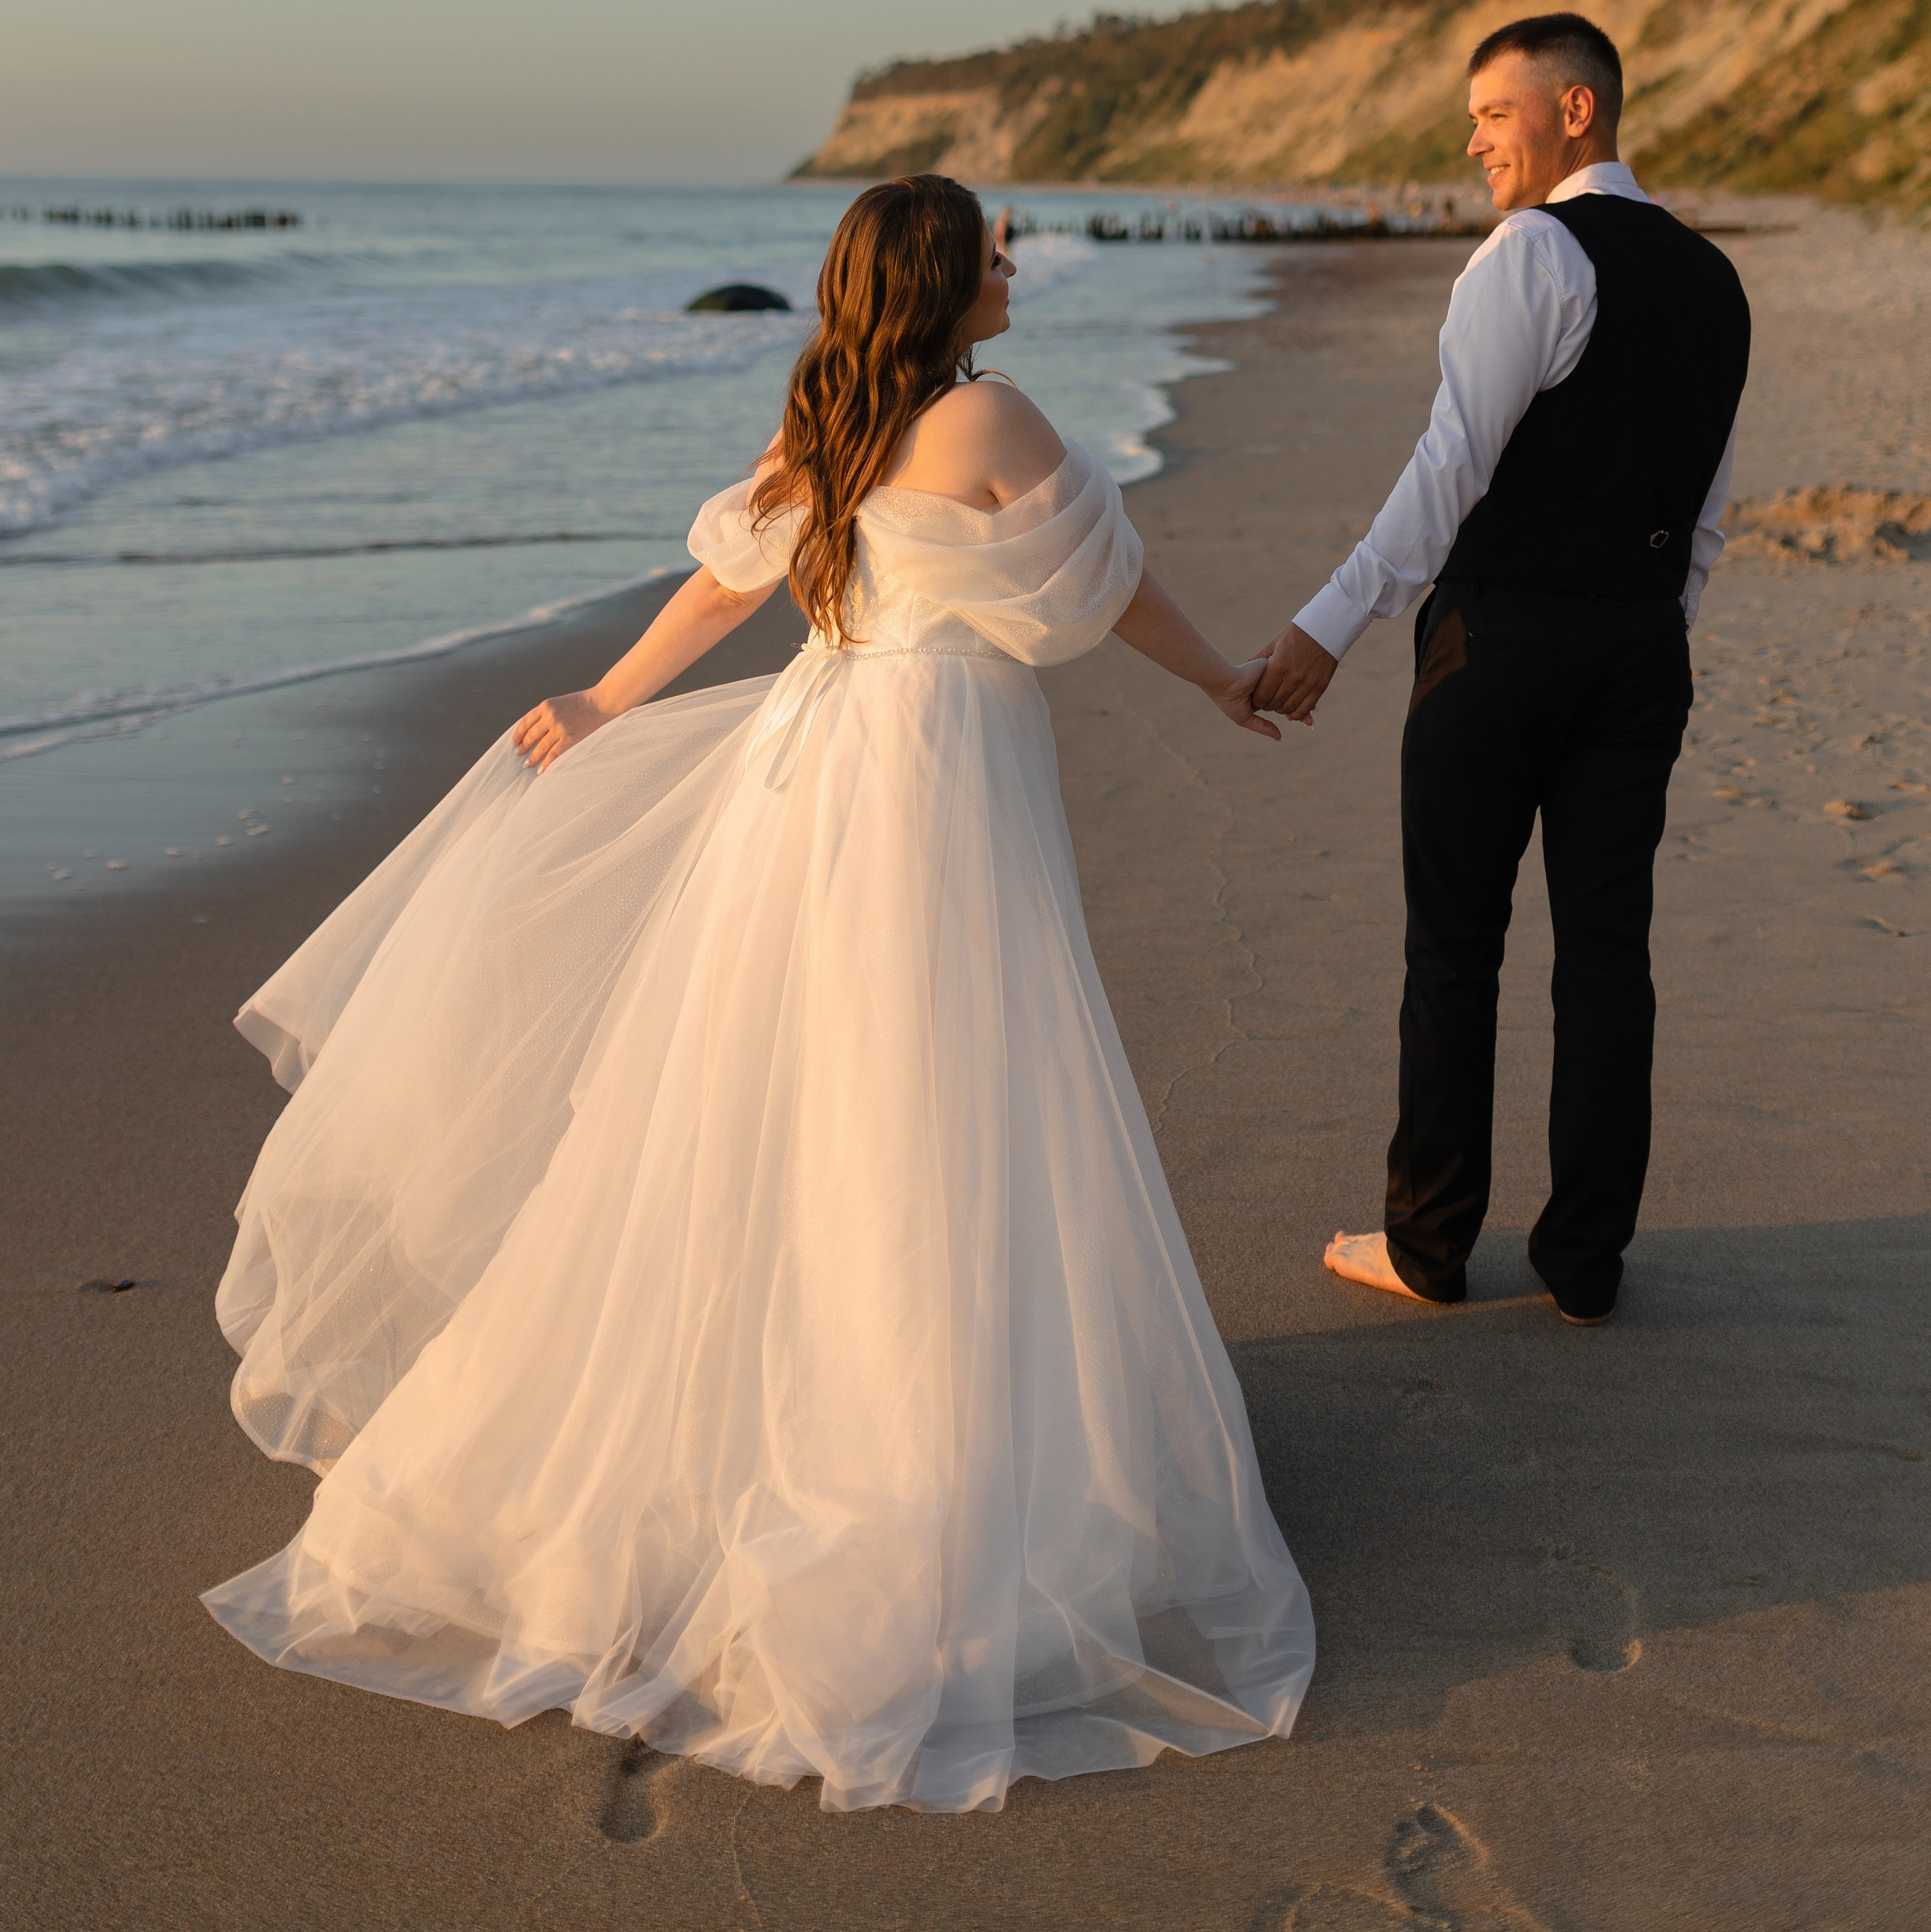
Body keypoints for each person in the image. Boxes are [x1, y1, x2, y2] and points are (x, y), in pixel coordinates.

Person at [203, 174, 1314, 1813]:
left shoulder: (826, 420)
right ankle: (915, 1458)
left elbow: (725, 585)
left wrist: (601, 696)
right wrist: (1221, 670)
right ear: (939, 281)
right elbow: (1099, 586)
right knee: (935, 1094)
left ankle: (748, 1424)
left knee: (777, 1086)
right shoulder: (990, 415)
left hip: (809, 763)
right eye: (992, 253)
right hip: (935, 769)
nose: (1012, 270)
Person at [1252, 15, 1750, 1326]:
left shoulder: (1531, 251)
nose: (1473, 141)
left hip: (1501, 646)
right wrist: (1656, 624)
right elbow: (1706, 508)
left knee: (1455, 947)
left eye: (1493, 112)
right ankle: (1584, 1260)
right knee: (1607, 951)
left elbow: (1450, 468)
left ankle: (1428, 1244)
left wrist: (1326, 626)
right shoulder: (1712, 277)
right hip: (1641, 648)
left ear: (1575, 112)